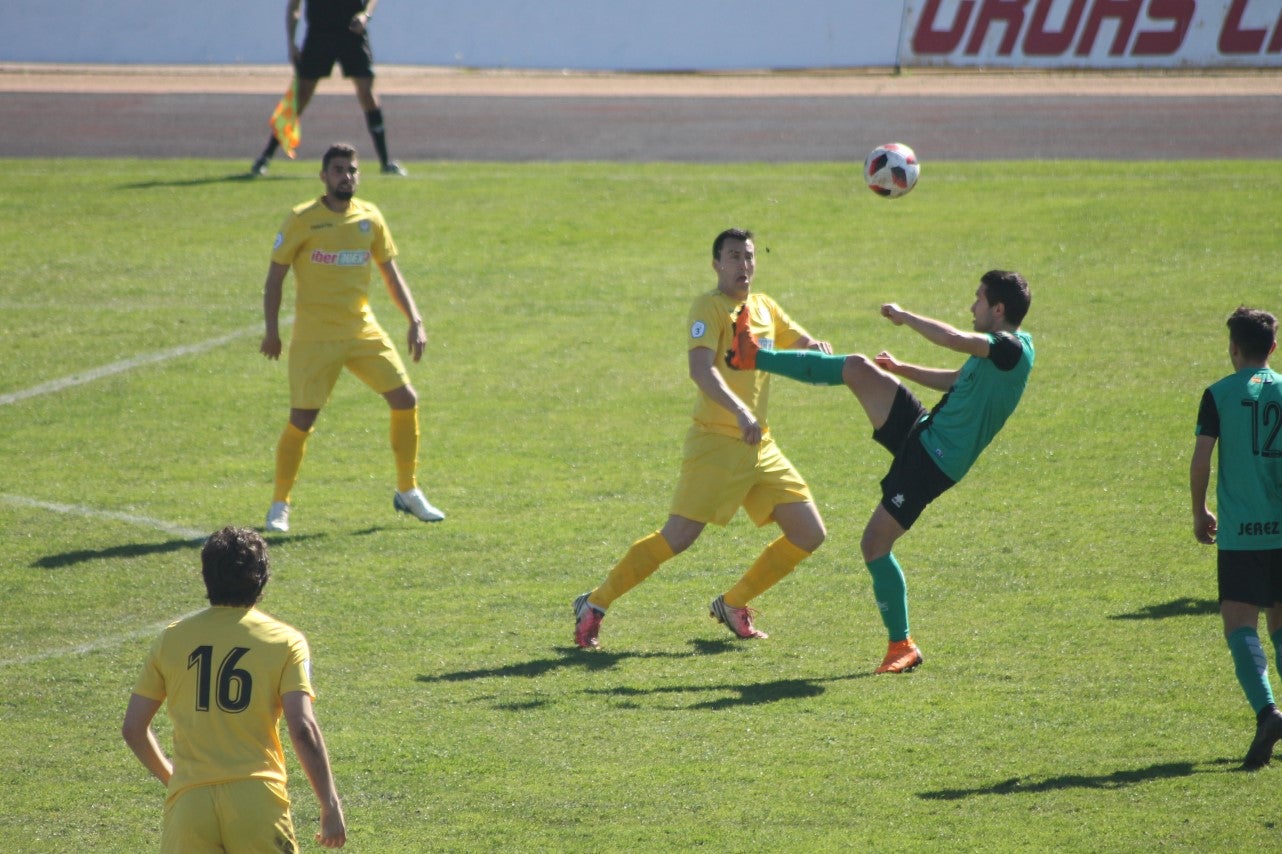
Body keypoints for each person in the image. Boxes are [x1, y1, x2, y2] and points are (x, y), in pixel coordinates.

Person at [727, 270, 1033, 673]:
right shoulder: (996, 353)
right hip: (925, 431)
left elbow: (954, 339)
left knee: (874, 545)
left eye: (979, 299)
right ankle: (752, 356)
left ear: (998, 309)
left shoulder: (1008, 348)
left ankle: (901, 645)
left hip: (933, 462)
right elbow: (956, 382)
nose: (971, 306)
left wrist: (906, 317)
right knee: (858, 368)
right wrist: (901, 369)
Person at [573, 228, 831, 649]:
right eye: (734, 256)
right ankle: (595, 603)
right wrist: (741, 411)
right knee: (678, 536)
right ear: (716, 264)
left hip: (759, 445)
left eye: (749, 256)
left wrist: (818, 350)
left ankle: (732, 604)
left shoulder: (765, 307)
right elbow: (700, 369)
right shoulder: (708, 308)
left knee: (809, 533)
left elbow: (802, 344)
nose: (744, 264)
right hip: (715, 442)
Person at [121, 526, 347, 851]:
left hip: (190, 805)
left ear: (206, 576)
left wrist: (174, 779)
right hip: (257, 800)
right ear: (263, 577)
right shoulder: (285, 641)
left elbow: (133, 728)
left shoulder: (171, 638)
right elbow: (303, 728)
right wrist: (329, 803)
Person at [260, 141, 444, 532]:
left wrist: (415, 320)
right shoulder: (301, 220)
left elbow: (391, 273)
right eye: (339, 170)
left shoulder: (370, 218)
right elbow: (275, 277)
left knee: (405, 399)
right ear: (323, 176)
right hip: (315, 337)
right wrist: (271, 331)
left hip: (362, 330)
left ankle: (408, 490)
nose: (346, 176)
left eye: (352, 170)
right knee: (302, 420)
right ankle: (279, 504)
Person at [1190, 306, 1282, 770]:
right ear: (1273, 347)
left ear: (1233, 348)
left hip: (1242, 534)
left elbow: (1201, 460)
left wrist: (1199, 511)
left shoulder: (1218, 394)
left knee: (1240, 624)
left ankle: (1268, 713)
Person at [251, 0, 406, 177]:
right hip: (320, 33)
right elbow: (294, 7)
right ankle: (265, 158)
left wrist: (365, 15)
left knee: (367, 94)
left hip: (352, 31)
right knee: (300, 98)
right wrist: (292, 43)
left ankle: (386, 162)